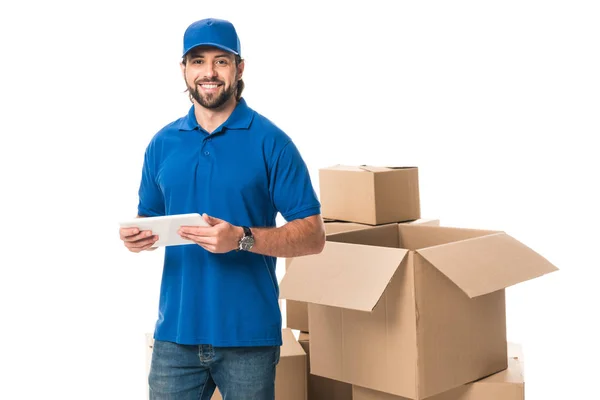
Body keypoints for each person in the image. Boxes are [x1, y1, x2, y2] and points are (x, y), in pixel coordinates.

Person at [118, 18, 325, 400]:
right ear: (183, 69)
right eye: (197, 61)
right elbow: (150, 217)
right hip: (175, 336)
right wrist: (139, 236)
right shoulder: (162, 143)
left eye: (221, 61)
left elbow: (313, 236)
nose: (208, 72)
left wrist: (242, 238)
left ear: (239, 68)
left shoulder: (272, 142)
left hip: (249, 336)